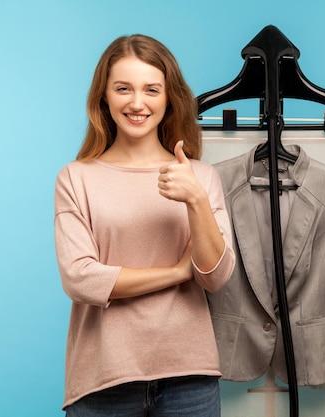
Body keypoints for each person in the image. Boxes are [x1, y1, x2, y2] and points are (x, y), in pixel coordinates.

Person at [54, 34, 236, 417]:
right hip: (104, 380)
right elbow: (80, 279)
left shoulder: (200, 178)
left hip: (190, 376)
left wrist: (196, 200)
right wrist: (175, 271)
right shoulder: (76, 178)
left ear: (169, 98)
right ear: (104, 96)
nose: (137, 103)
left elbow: (216, 277)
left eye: (151, 90)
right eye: (123, 88)